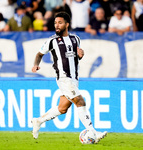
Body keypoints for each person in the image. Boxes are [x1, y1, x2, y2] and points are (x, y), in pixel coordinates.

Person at [31, 12, 107, 143]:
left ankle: (38, 120)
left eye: (60, 23)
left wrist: (80, 55)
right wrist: (36, 65)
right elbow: (39, 54)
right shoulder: (52, 41)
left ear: (67, 24)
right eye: (55, 23)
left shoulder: (75, 39)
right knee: (80, 102)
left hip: (74, 79)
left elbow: (74, 57)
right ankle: (92, 132)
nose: (57, 25)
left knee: (62, 108)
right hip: (64, 78)